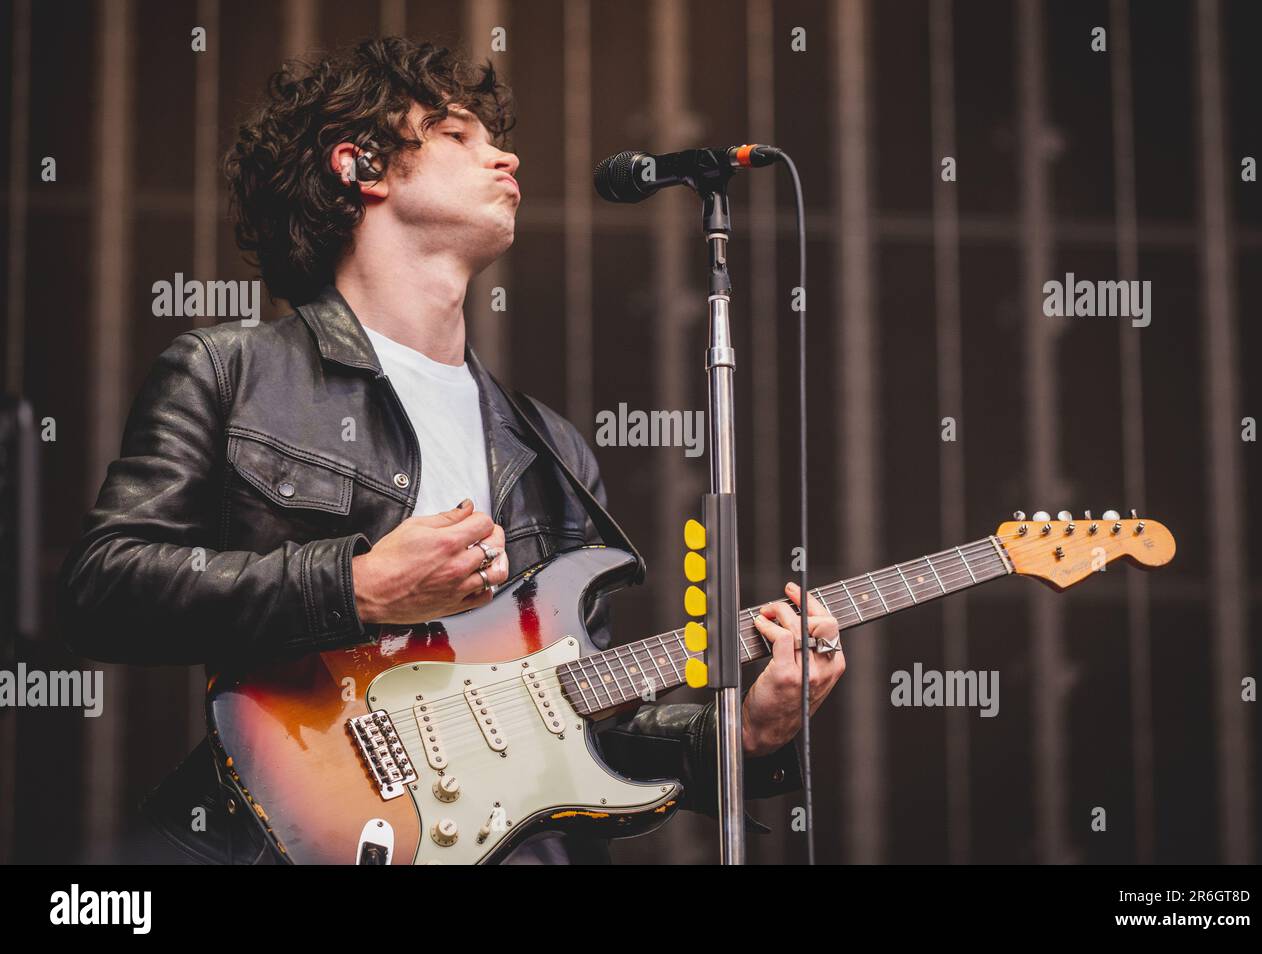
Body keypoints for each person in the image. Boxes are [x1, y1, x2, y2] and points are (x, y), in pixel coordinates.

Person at [56, 36, 845, 864]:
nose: (504, 155)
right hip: (289, 838)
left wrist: (746, 734)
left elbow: (582, 720)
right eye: (457, 134)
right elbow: (104, 587)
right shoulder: (231, 372)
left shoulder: (554, 451)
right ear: (361, 167)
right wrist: (355, 585)